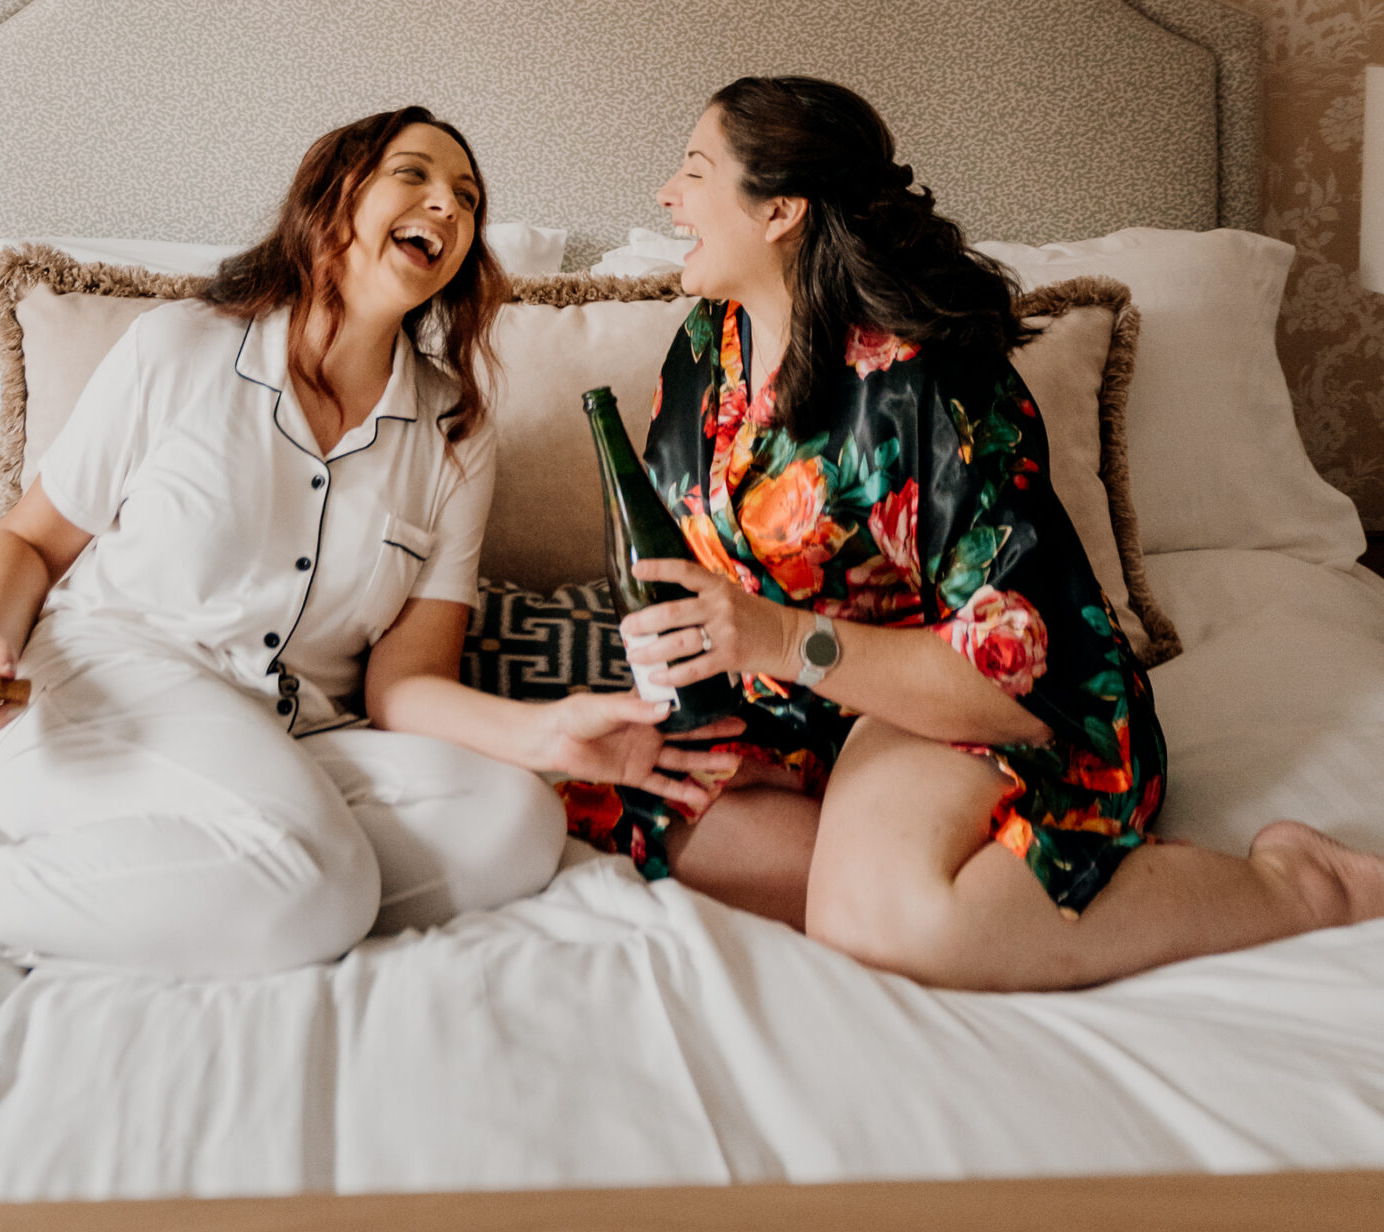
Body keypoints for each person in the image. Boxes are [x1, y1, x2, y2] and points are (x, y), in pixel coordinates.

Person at [0, 106, 735, 975]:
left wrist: (542, 738)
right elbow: (32, 541)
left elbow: (403, 687)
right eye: (415, 175)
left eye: (465, 198)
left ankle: (113, 883)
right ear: (333, 201)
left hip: (294, 735)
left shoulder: (455, 429)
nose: (447, 206)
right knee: (321, 883)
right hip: (117, 692)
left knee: (512, 825)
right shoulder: (180, 349)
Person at [567, 75, 1384, 991]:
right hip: (797, 714)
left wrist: (777, 637)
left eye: (694, 170)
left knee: (885, 929)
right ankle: (1013, 885)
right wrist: (718, 720)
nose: (666, 196)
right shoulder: (703, 349)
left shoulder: (934, 384)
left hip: (962, 701)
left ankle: (1295, 889)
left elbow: (1011, 674)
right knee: (642, 817)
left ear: (780, 211)